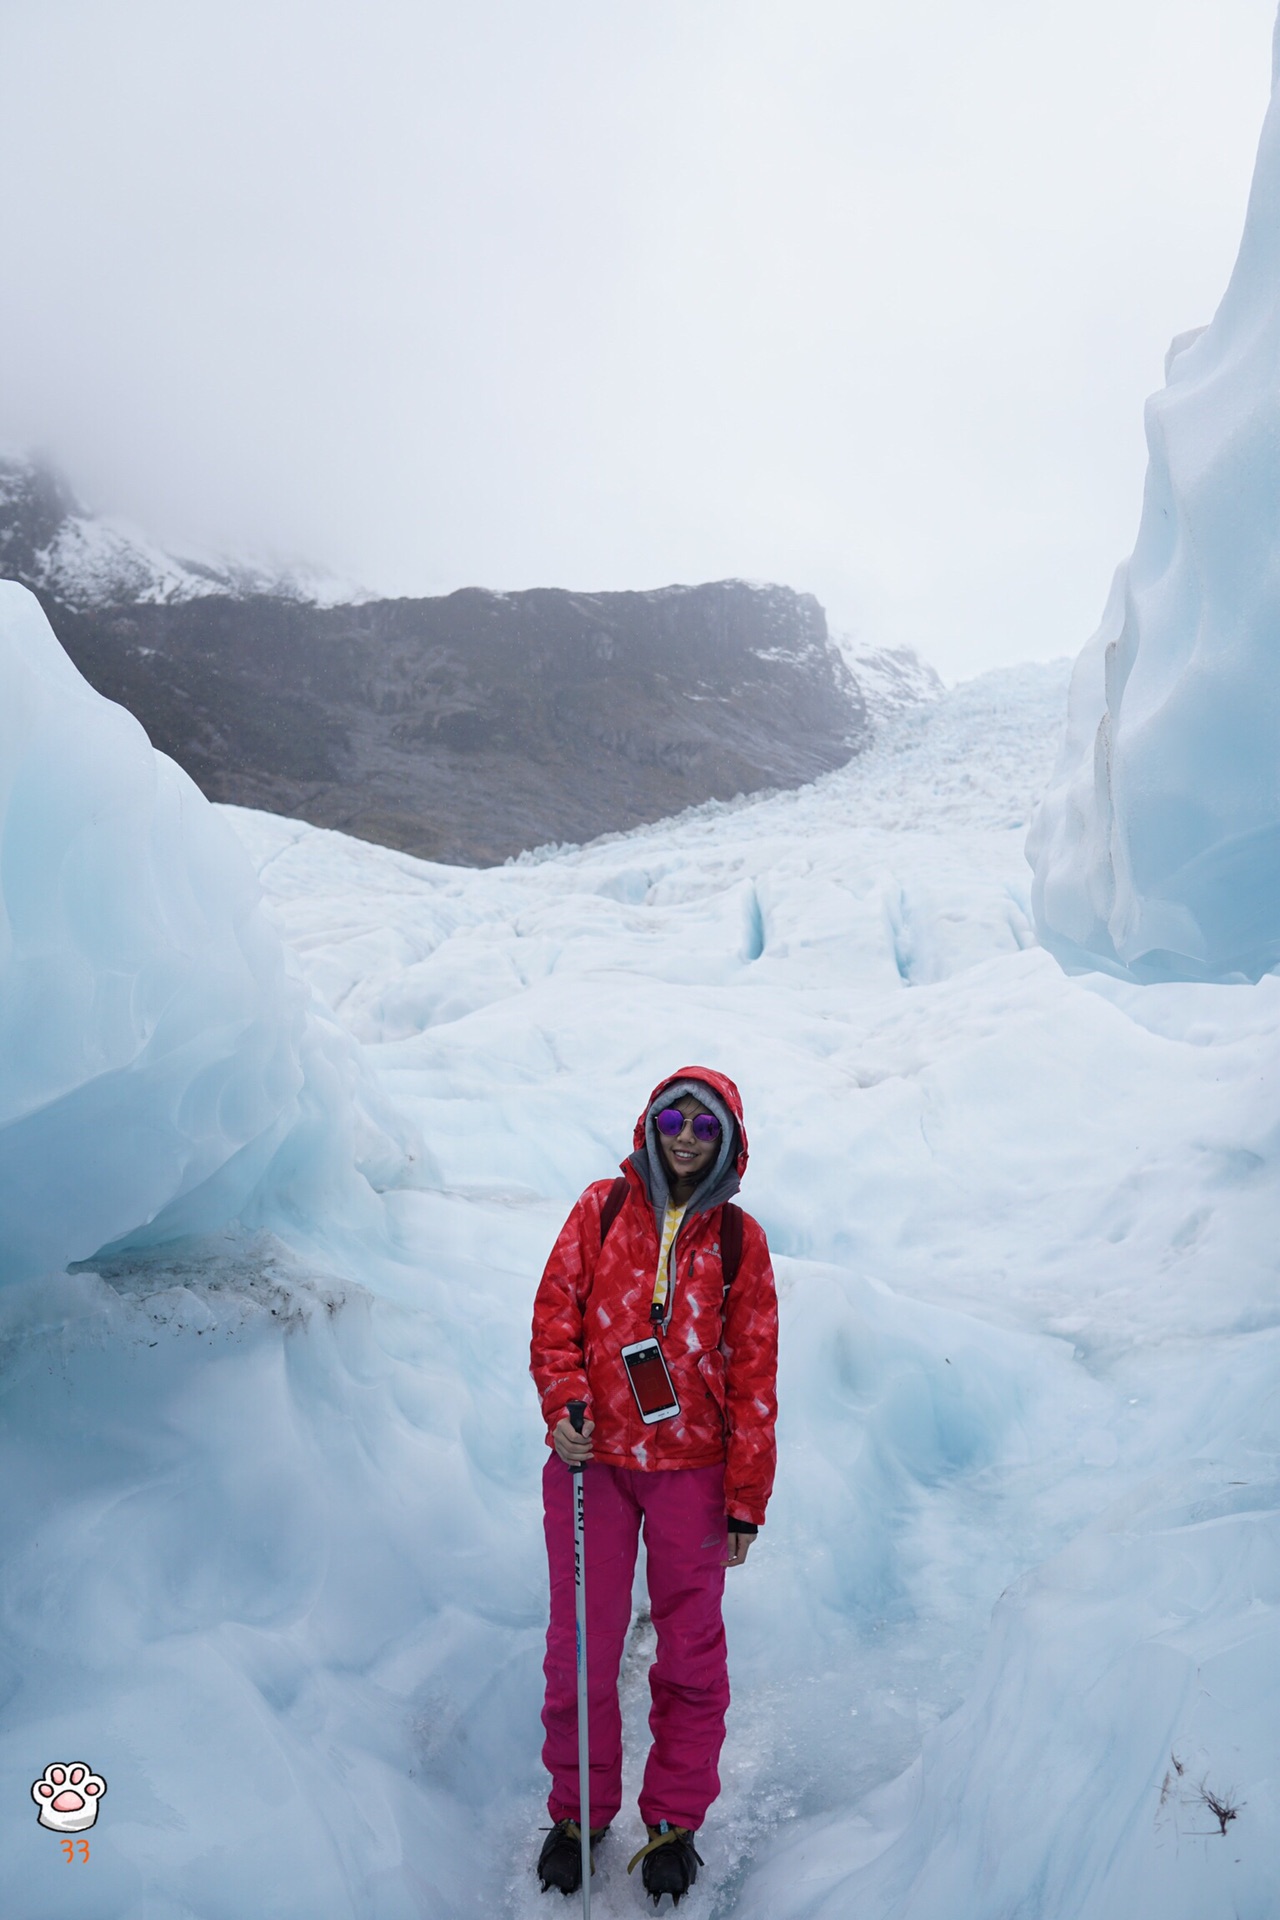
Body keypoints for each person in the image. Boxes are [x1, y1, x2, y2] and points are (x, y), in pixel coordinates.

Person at [529, 1067, 778, 1906]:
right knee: (582, 1649)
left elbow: (754, 1374)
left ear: (727, 1142)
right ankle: (580, 1811)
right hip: (591, 1466)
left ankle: (673, 1821)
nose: (683, 1136)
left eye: (704, 1127)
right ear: (649, 1120)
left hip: (693, 1479)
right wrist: (564, 1405)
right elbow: (554, 1314)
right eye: (673, 1117)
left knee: (691, 1656)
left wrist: (746, 1497)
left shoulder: (740, 1240)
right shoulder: (600, 1208)